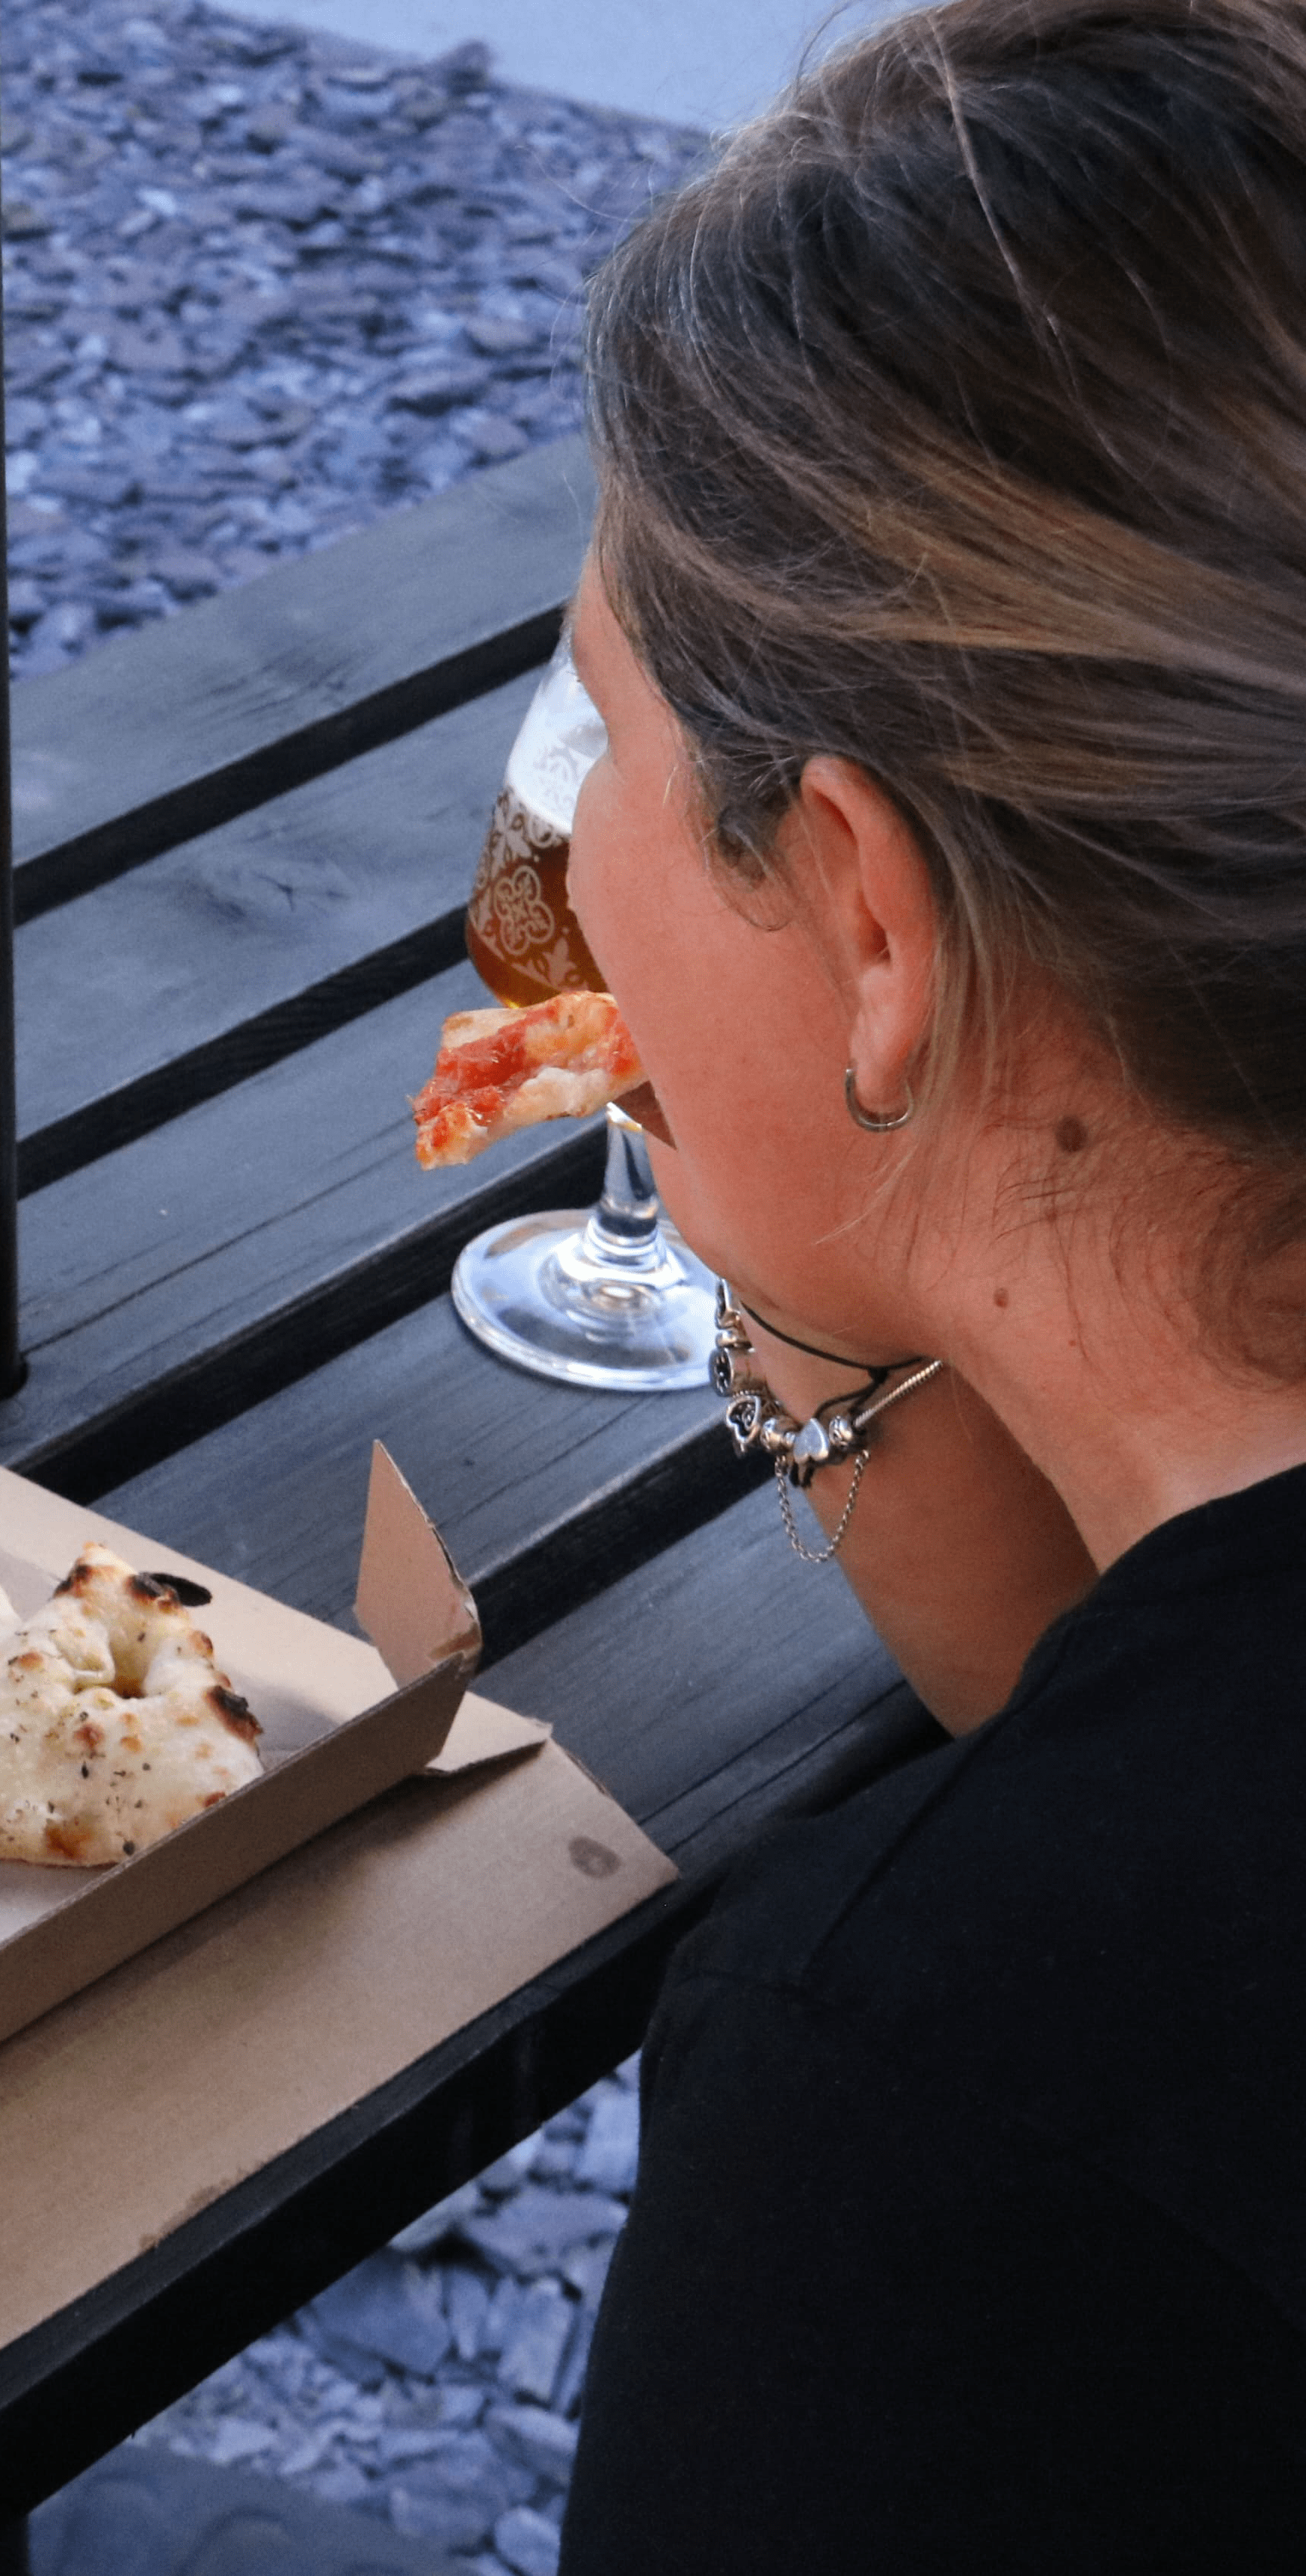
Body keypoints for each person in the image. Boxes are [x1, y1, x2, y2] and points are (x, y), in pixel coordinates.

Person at [549, 1, 1306, 2559]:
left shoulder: (936, 2103)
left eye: (605, 743)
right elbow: (1132, 1716)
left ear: (874, 910)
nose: (567, 874)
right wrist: (854, 1250)